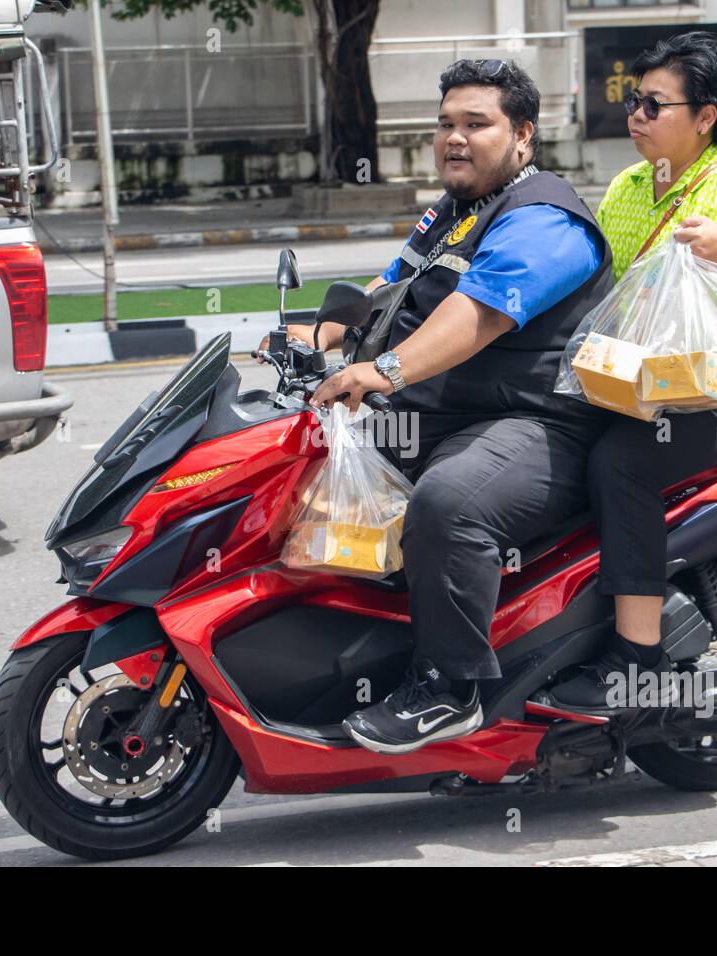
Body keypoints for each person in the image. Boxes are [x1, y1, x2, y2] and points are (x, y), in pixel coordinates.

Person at [292, 59, 614, 753]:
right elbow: (390, 289)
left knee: (448, 504)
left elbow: (481, 315)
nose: (455, 139)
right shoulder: (453, 211)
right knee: (302, 469)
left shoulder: (545, 220)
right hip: (452, 412)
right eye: (445, 125)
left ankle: (449, 687)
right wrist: (316, 335)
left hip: (537, 424)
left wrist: (385, 370)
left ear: (523, 135)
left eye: (476, 124)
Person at [537, 31, 717, 712]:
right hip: (635, 387)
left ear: (705, 116)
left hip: (714, 404)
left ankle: (636, 658)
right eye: (634, 101)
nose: (637, 115)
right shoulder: (626, 189)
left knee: (620, 464)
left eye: (655, 105)